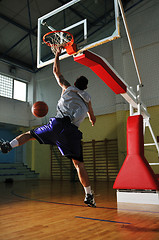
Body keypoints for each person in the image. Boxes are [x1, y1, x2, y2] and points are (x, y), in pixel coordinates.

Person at [0, 48, 96, 207]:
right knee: (79, 165)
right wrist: (92, 118)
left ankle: (8, 145)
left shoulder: (67, 88)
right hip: (72, 132)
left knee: (30, 134)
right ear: (85, 88)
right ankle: (89, 195)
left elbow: (56, 71)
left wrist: (57, 54)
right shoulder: (87, 100)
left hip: (57, 125)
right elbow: (92, 114)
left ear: (75, 84)